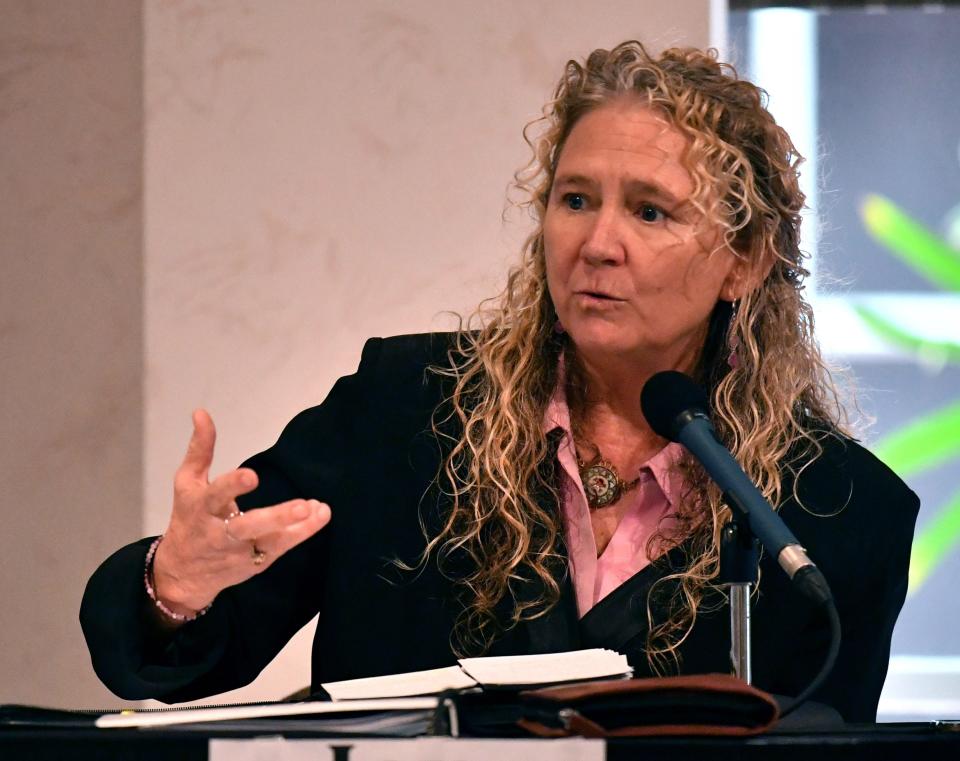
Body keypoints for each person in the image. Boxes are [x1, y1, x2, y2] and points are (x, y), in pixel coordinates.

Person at [81, 41, 919, 723]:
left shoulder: (834, 516)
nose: (597, 242)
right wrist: (174, 586)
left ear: (746, 260)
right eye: (576, 198)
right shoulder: (403, 410)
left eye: (651, 211)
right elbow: (173, 659)